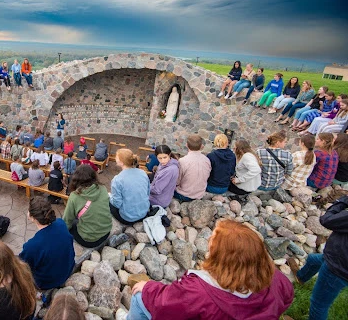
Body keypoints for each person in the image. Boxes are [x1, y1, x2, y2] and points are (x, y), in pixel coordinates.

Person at [128, 219, 294, 320]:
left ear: (223, 256)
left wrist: (148, 288)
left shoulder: (198, 291)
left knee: (139, 297)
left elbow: (166, 305)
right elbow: (286, 299)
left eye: (213, 239)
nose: (209, 240)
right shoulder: (276, 279)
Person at [289, 195, 348, 320]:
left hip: (339, 267)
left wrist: (342, 201)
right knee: (313, 259)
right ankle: (301, 277)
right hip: (337, 255)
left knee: (319, 304)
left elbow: (327, 220)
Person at [20, 197, 74, 290]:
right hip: (67, 269)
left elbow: (23, 266)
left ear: (32, 217)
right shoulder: (61, 223)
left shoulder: (32, 246)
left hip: (47, 282)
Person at [62, 165, 112, 248]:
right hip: (106, 232)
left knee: (69, 223)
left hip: (89, 239)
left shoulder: (75, 196)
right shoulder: (102, 188)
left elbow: (67, 220)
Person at [110, 149, 150, 224]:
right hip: (143, 213)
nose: (115, 158)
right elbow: (147, 192)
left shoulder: (117, 180)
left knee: (109, 201)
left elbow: (117, 203)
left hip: (128, 218)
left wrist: (110, 197)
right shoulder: (143, 173)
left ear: (121, 162)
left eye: (116, 157)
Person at [174, 135, 211, 202]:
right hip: (199, 195)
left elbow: (177, 181)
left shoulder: (182, 161)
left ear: (187, 145)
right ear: (201, 146)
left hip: (184, 195)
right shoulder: (207, 160)